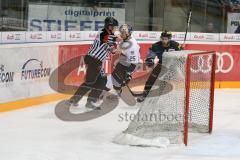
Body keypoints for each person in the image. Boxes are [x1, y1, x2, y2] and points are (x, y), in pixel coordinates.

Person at [68, 16, 119, 109]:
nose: (115, 29)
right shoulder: (104, 33)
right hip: (94, 60)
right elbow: (113, 45)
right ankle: (80, 100)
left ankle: (85, 100)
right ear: (110, 26)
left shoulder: (107, 34)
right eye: (114, 27)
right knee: (90, 82)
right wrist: (121, 41)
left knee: (101, 81)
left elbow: (112, 49)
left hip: (96, 61)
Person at [137, 30, 182, 103]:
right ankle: (144, 94)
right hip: (162, 64)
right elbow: (150, 54)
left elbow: (182, 54)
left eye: (166, 38)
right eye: (163, 38)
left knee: (179, 79)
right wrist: (150, 60)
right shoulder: (156, 45)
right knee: (151, 79)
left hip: (173, 66)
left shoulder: (176, 45)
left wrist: (180, 58)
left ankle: (179, 97)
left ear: (169, 39)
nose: (164, 40)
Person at [111, 24, 140, 95]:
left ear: (128, 33)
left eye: (123, 33)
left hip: (130, 64)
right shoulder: (126, 38)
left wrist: (128, 73)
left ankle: (120, 90)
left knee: (120, 78)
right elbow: (118, 49)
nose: (121, 35)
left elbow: (134, 63)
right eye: (121, 32)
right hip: (124, 61)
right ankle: (119, 90)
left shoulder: (132, 45)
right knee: (114, 78)